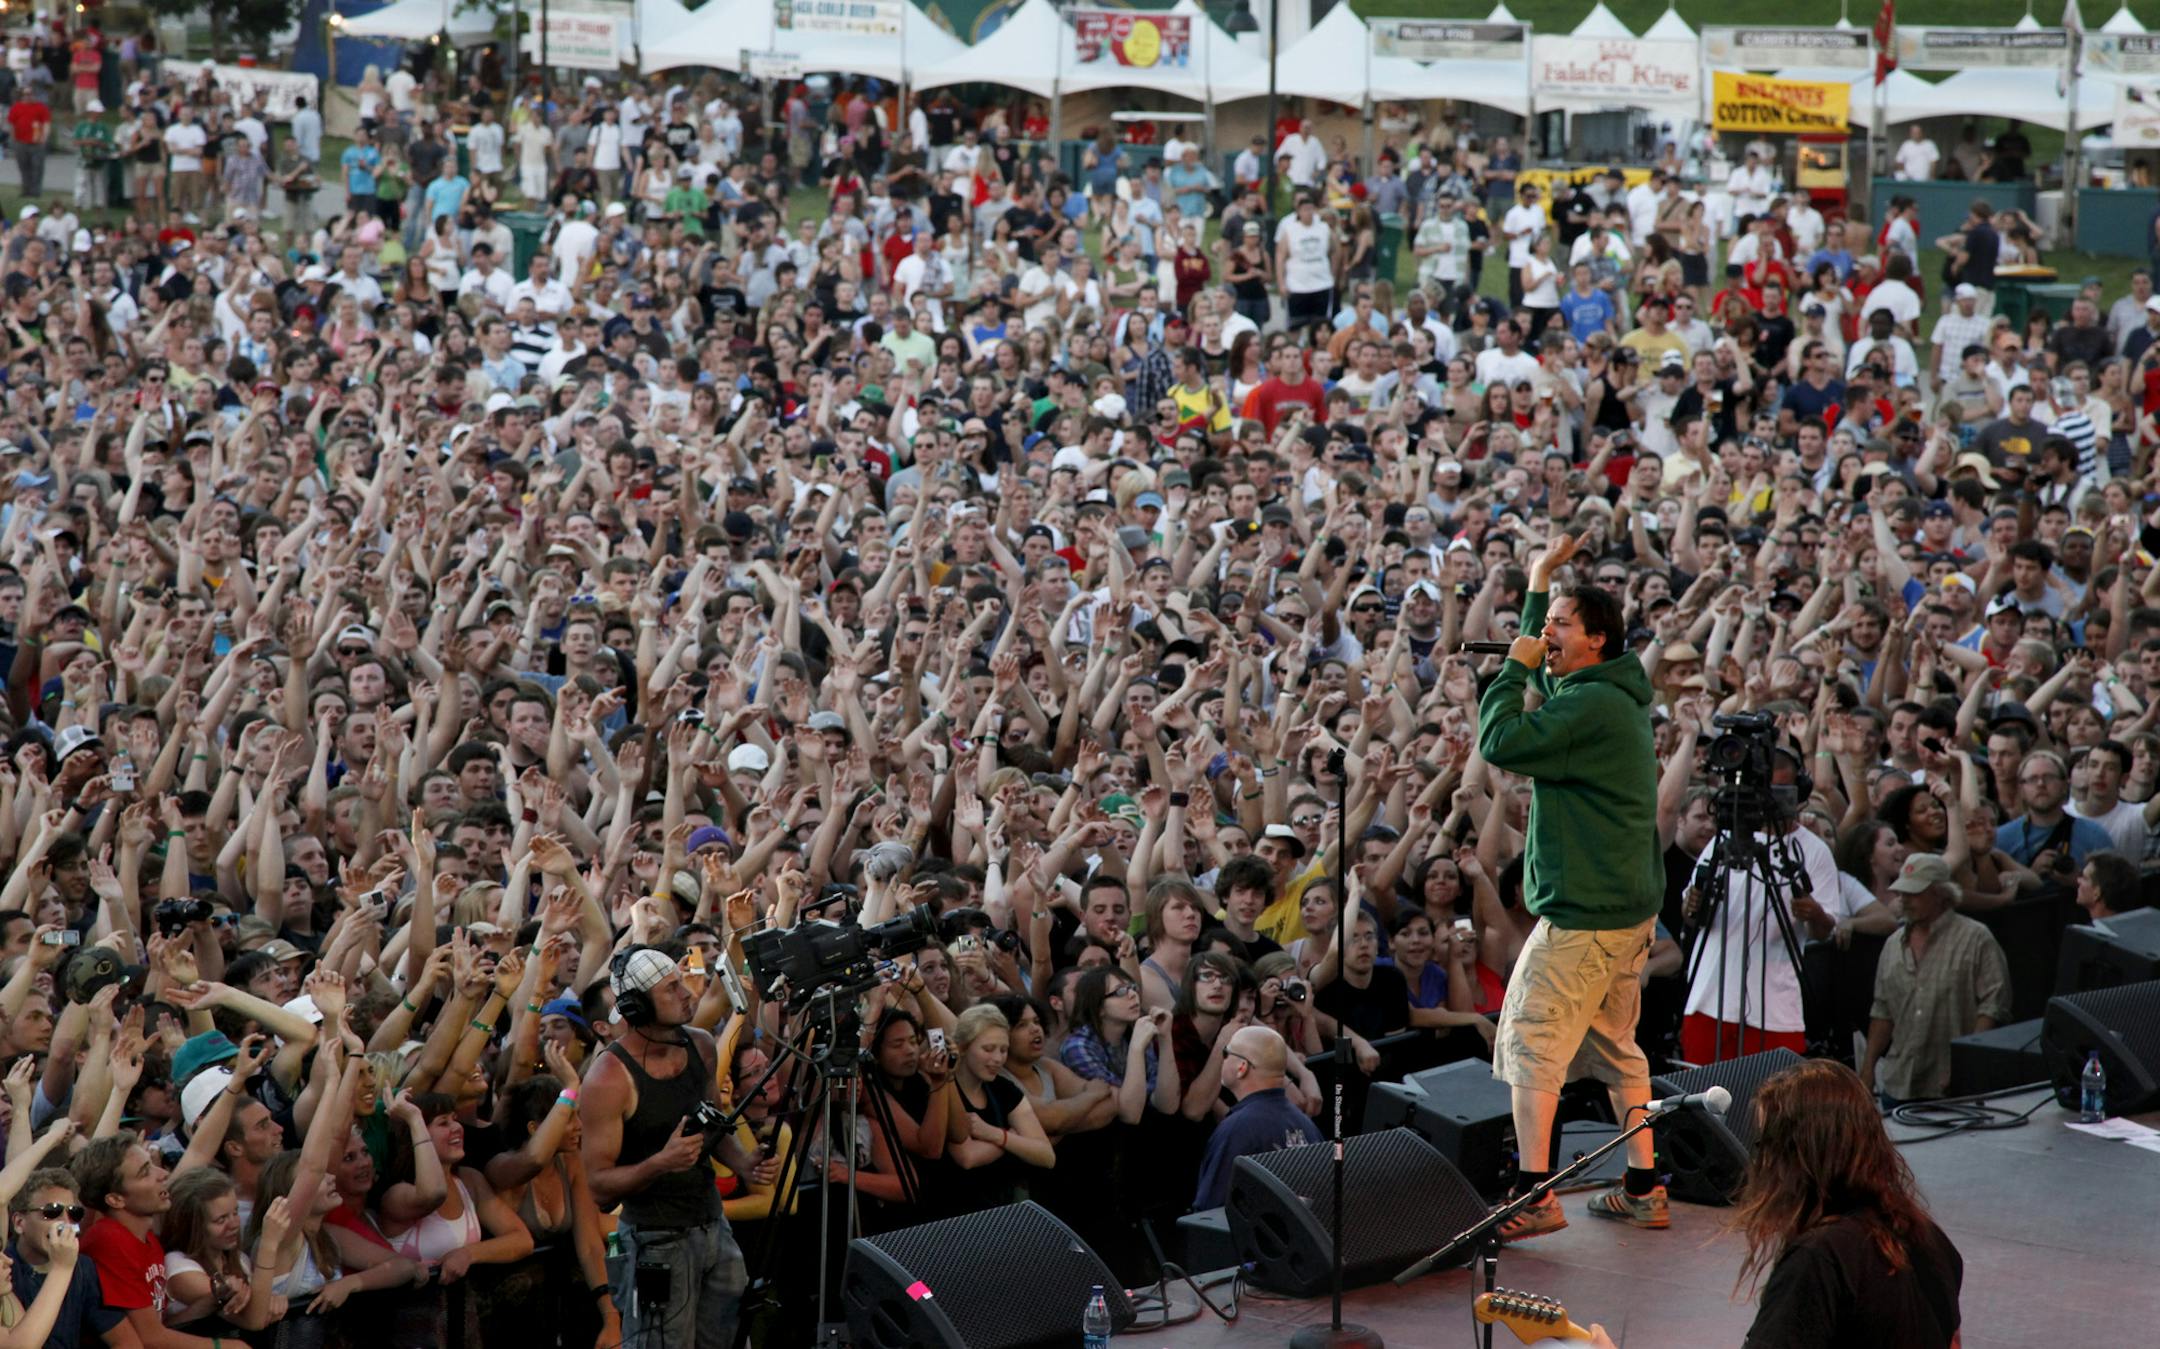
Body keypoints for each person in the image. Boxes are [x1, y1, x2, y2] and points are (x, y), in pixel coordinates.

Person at [1477, 534, 1667, 1240]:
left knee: (1531, 1041)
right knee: (1619, 1047)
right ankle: (1644, 1184)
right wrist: (1536, 582)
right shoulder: (1606, 690)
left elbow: (1501, 741)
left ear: (1598, 639)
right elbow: (1551, 680)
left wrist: (1506, 672)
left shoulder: (1588, 708)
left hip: (1585, 917)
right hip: (1623, 910)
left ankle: (1534, 1193)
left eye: (1560, 624)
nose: (1544, 635)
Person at [580, 947, 774, 1348]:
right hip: (656, 1242)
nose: (687, 993)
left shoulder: (700, 1045)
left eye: (682, 982)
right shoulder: (608, 1078)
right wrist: (661, 1163)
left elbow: (714, 1124)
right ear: (637, 1006)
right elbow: (599, 1186)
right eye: (671, 988)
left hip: (713, 1227)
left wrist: (744, 1163)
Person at [1858, 854, 2011, 1104]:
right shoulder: (1893, 945)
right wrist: (1868, 1069)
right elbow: (1882, 1011)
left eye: (1914, 893)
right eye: (1902, 893)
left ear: (1941, 894)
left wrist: (1967, 1064)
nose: (1904, 900)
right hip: (1899, 1083)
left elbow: (1994, 1006)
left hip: (1952, 1086)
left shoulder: (1976, 938)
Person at [1190, 1026, 1320, 1209]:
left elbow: (1209, 1212)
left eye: (1226, 1053)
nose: (1222, 1059)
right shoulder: (1306, 1124)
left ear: (1241, 1068)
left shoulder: (1237, 1129)